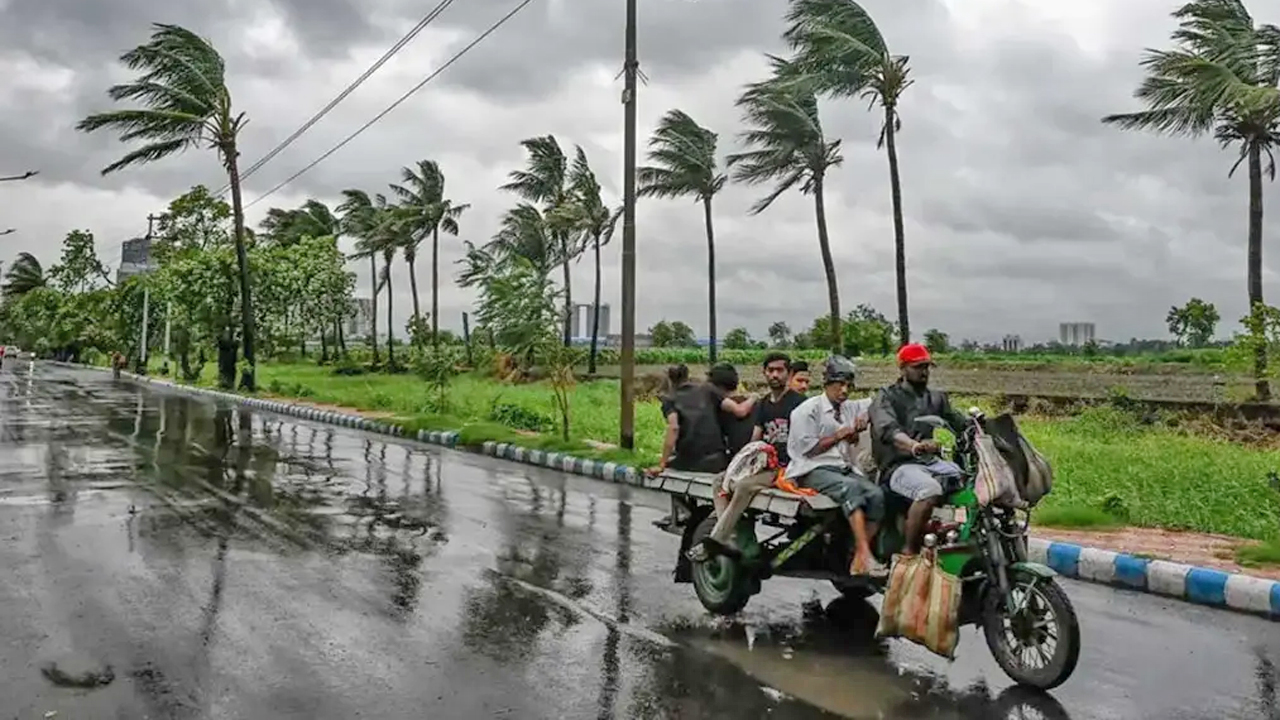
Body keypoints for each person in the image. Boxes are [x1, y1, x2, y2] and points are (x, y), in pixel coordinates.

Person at [785, 356, 887, 577]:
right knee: (851, 489)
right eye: (839, 384)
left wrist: (865, 416)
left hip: (841, 468)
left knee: (877, 495)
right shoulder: (806, 411)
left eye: (848, 385)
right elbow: (808, 450)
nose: (844, 390)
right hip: (811, 469)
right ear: (827, 384)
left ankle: (859, 555)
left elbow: (879, 400)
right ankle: (864, 555)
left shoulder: (849, 407)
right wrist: (839, 435)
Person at [869, 343, 968, 556]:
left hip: (930, 464)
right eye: (917, 367)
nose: (924, 372)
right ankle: (909, 552)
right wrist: (914, 446)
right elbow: (888, 430)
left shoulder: (936, 397)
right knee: (928, 490)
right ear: (903, 369)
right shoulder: (886, 396)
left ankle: (960, 539)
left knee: (970, 482)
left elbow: (958, 422)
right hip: (898, 466)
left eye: (926, 367)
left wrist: (984, 429)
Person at [751, 352, 806, 465]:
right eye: (770, 370)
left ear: (789, 374)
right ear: (764, 373)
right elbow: (755, 439)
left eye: (780, 370)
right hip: (766, 463)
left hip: (790, 466)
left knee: (741, 484)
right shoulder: (762, 404)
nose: (775, 375)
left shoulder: (801, 403)